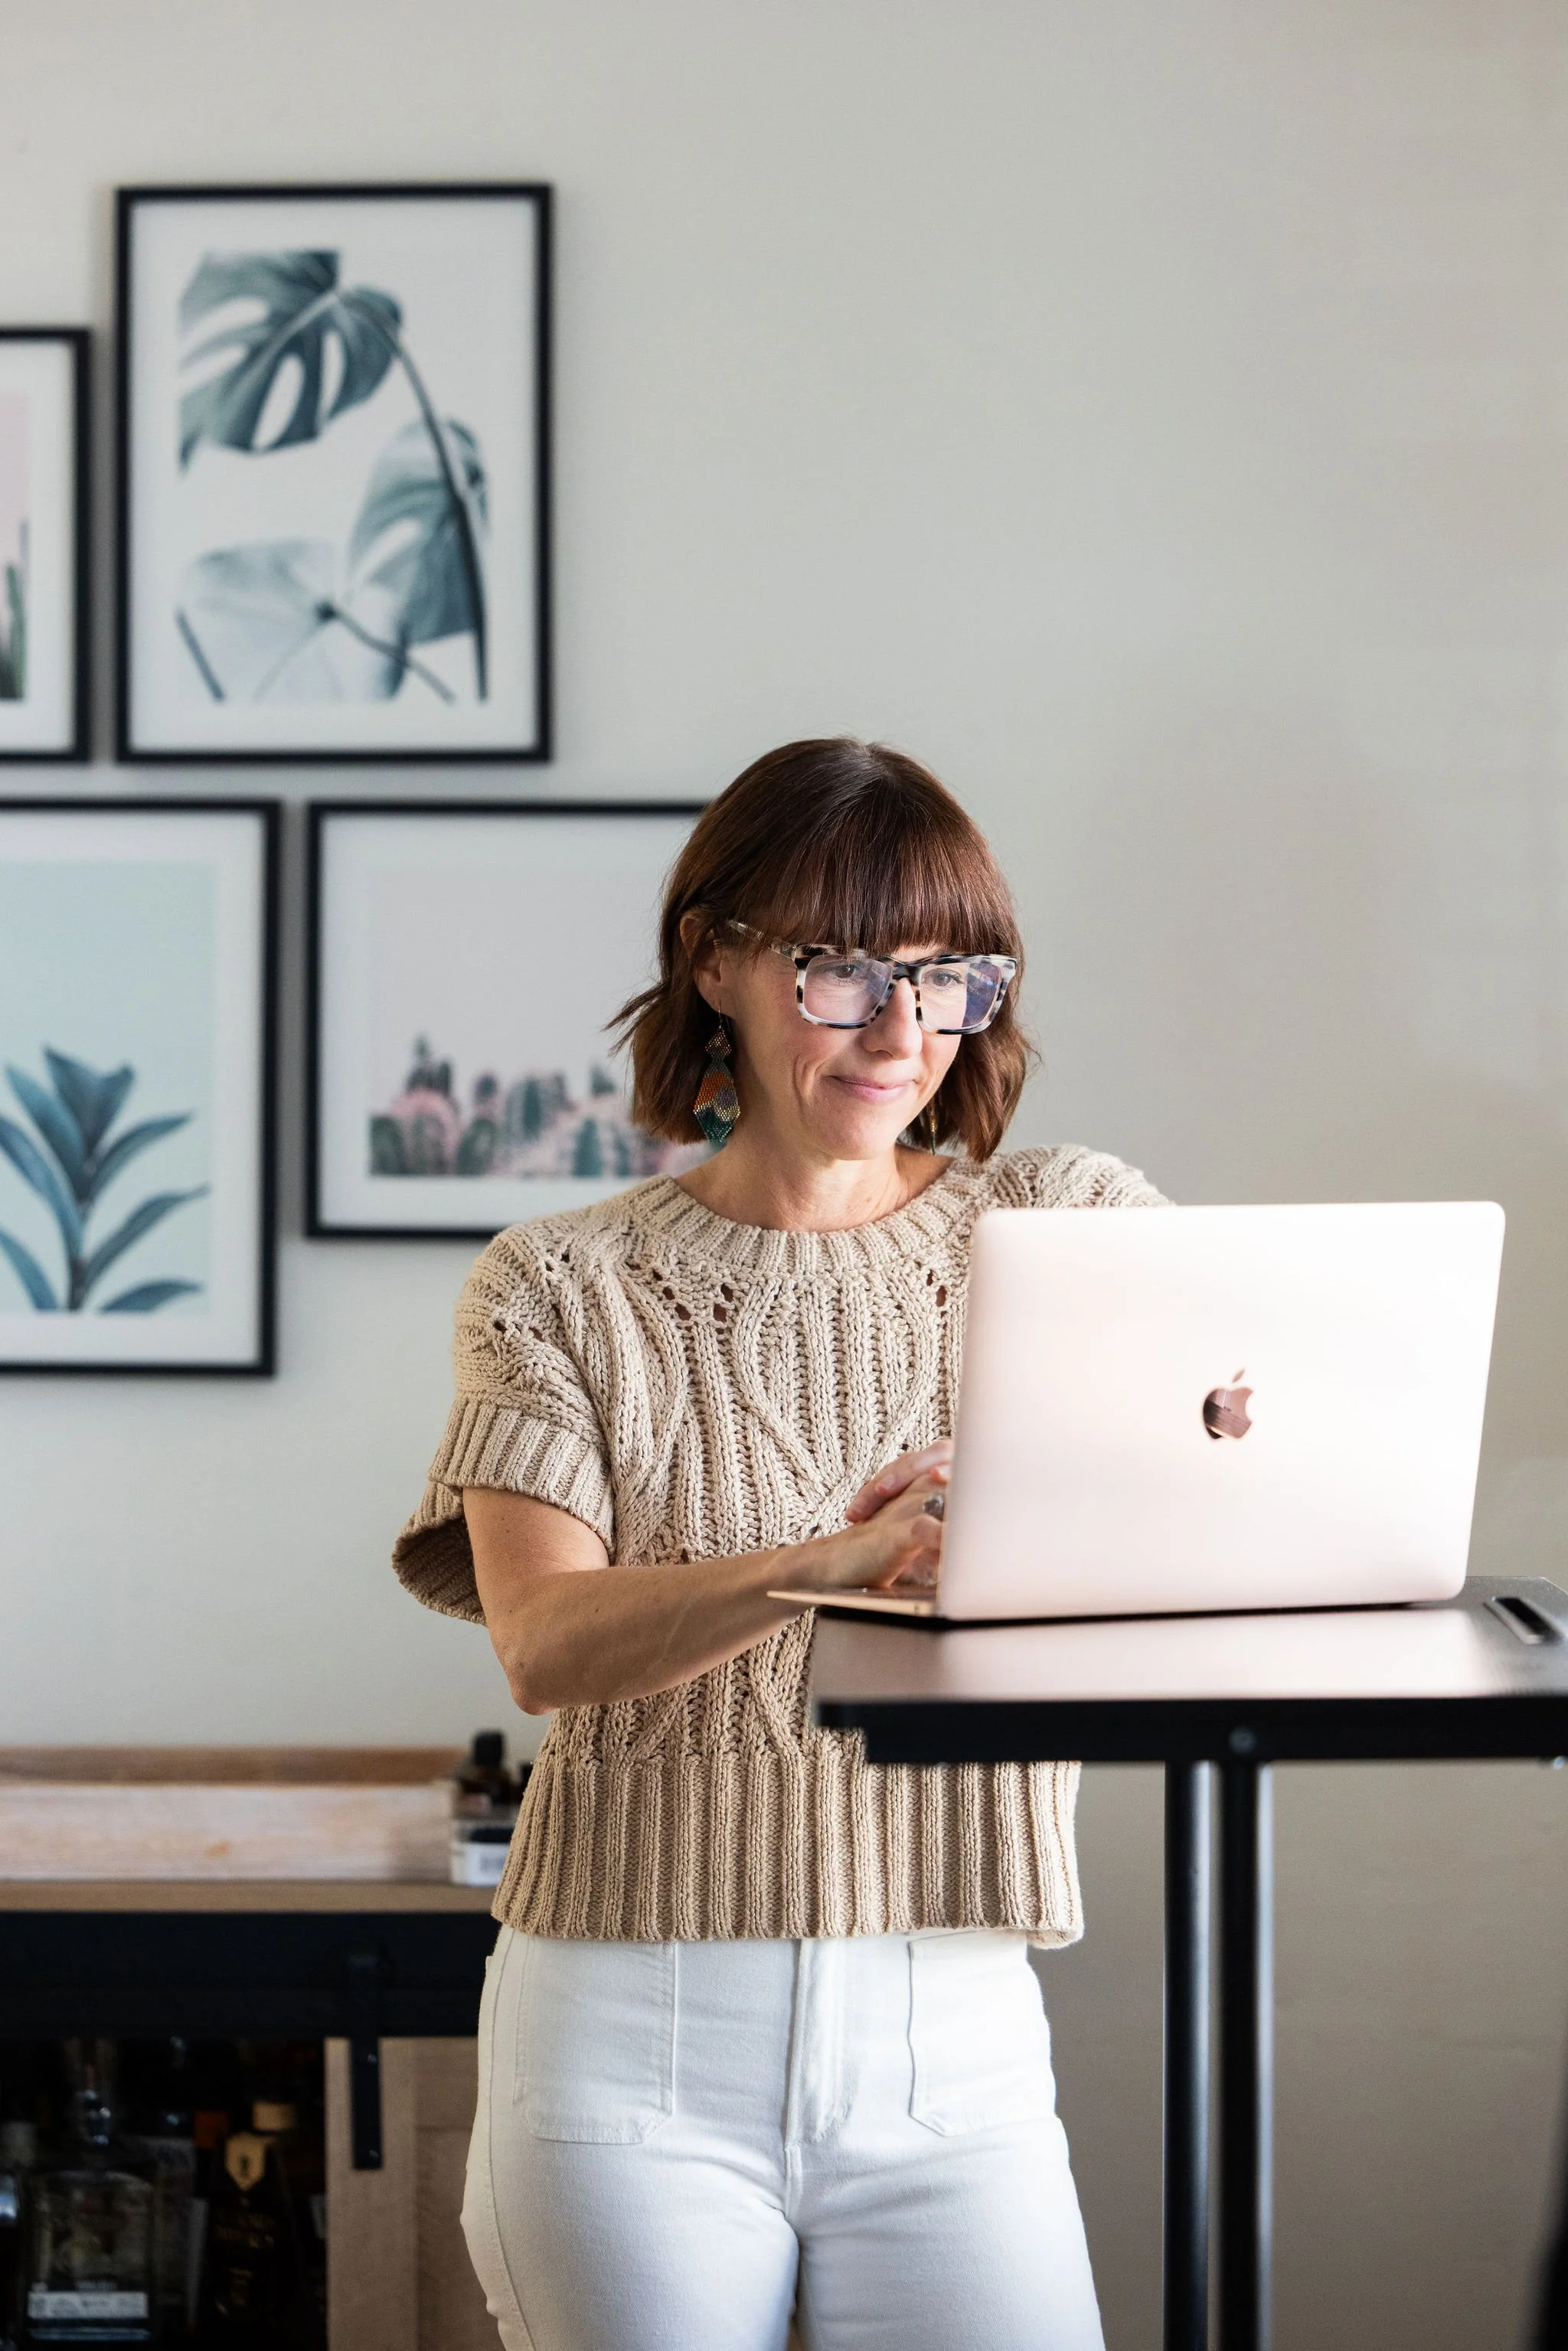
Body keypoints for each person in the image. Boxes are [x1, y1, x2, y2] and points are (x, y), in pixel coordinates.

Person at [393, 737, 1165, 2351]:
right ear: (716, 959)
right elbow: (545, 1646)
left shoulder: (1064, 1229)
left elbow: (1219, 1484)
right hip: (627, 2033)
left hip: (949, 2023)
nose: (903, 1030)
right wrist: (837, 1555)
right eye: (841, 970)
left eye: (948, 975)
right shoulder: (558, 1286)